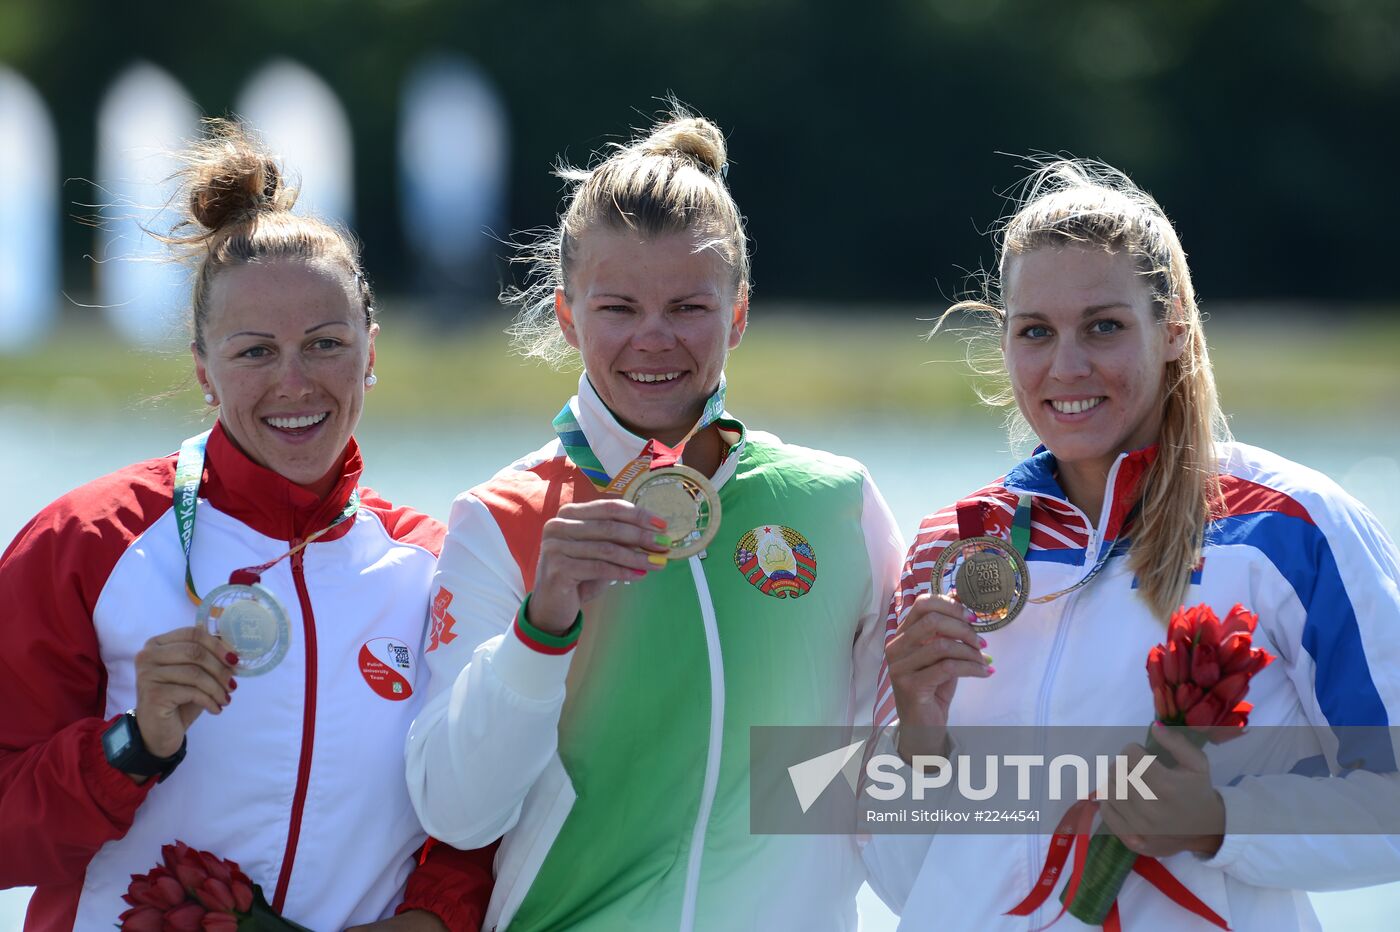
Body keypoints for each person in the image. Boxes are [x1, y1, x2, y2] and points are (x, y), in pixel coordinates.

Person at [863, 159, 1400, 929]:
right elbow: (904, 877)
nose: (1067, 365)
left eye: (1104, 327)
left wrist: (1220, 820)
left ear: (1174, 331)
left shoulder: (1290, 529)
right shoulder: (953, 545)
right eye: (1036, 332)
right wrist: (916, 745)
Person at [405, 106, 904, 930]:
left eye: (688, 307)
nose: (654, 339)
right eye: (618, 309)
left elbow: (858, 789)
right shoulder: (502, 520)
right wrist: (541, 630)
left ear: (738, 313)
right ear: (568, 316)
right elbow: (457, 813)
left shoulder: (833, 502)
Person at [0, 121, 489, 930]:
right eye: (255, 352)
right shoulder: (88, 541)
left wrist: (436, 915)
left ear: (371, 350)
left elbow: (480, 804)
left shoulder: (435, 566)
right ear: (202, 367)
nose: (294, 384)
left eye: (325, 344)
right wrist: (131, 746)